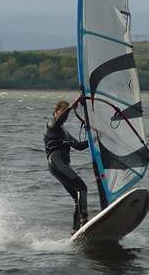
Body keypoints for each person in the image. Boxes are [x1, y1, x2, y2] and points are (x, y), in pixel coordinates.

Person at [44, 98, 89, 233]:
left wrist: (96, 138)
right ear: (55, 112)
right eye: (61, 111)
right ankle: (85, 220)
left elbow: (80, 146)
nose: (64, 113)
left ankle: (75, 230)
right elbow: (59, 120)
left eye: (65, 110)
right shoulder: (51, 124)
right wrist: (70, 107)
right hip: (56, 162)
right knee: (82, 187)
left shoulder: (65, 132)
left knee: (77, 197)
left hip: (61, 165)